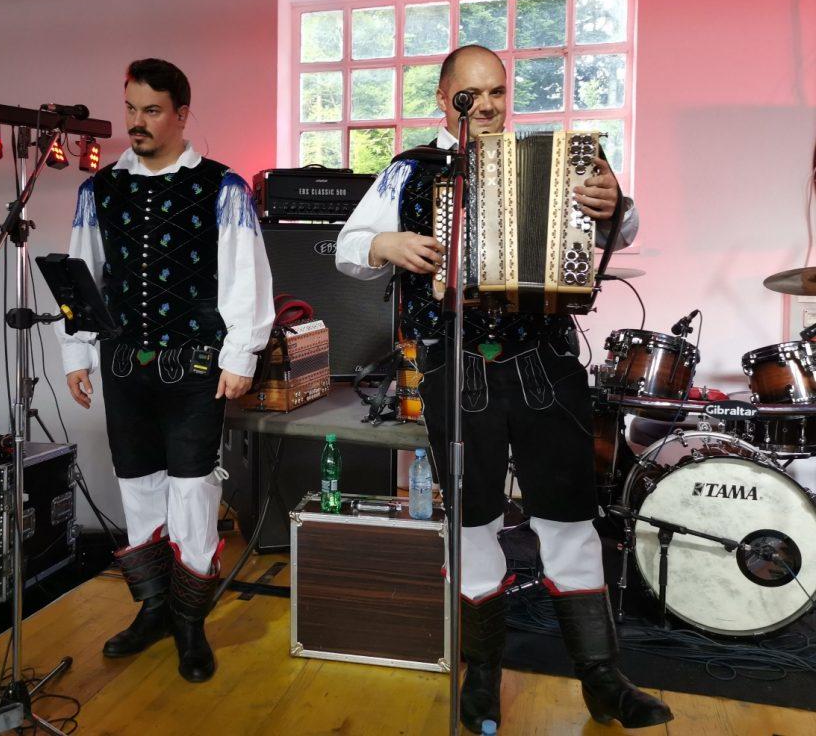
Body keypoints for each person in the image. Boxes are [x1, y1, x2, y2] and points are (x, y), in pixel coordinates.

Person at [336, 45, 671, 732]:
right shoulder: (409, 171)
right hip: (454, 367)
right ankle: (482, 677)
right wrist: (384, 245)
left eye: (497, 92)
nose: (486, 105)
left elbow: (626, 226)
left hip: (544, 361)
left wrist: (616, 204)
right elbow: (345, 249)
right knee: (474, 521)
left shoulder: (553, 160)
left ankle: (602, 680)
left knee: (569, 519)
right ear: (444, 98)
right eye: (472, 94)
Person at [55, 58, 274, 682]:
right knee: (137, 483)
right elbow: (84, 277)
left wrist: (241, 354)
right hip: (123, 363)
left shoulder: (222, 186)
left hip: (196, 365)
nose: (137, 122)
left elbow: (245, 277)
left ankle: (190, 621)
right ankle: (153, 608)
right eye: (131, 109)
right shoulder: (98, 191)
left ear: (181, 114)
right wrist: (77, 354)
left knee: (193, 488)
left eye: (151, 110)